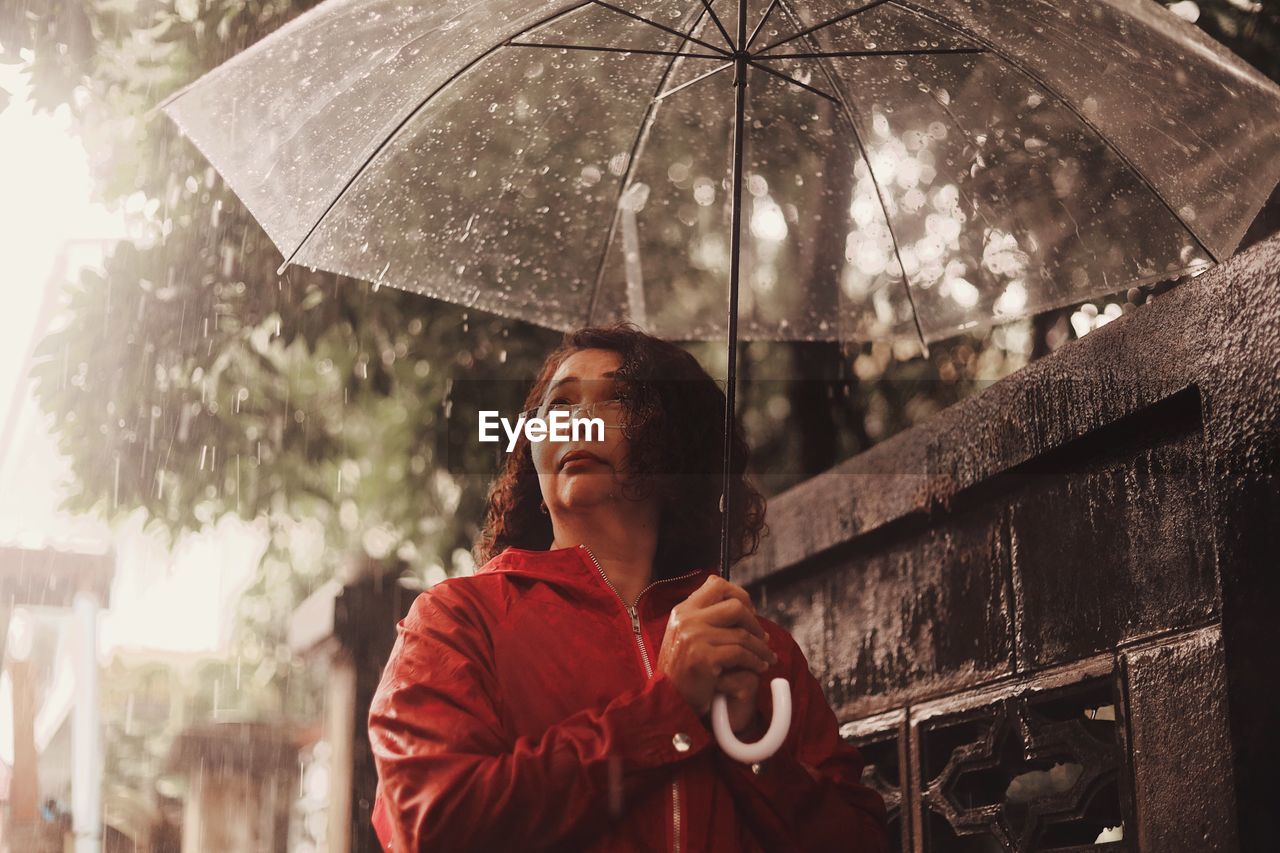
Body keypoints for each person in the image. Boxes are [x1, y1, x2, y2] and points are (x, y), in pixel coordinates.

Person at [367, 322, 891, 852]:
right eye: (560, 406)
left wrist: (751, 742)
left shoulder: (754, 647)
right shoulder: (456, 620)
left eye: (617, 398)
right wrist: (665, 711)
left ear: (674, 442)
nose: (580, 422)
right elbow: (431, 826)